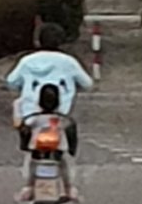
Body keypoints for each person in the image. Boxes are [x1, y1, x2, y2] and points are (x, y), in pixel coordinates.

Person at [6, 22, 93, 157]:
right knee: (70, 128)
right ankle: (71, 153)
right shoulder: (69, 62)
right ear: (61, 42)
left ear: (38, 41)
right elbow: (87, 83)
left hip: (32, 116)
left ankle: (25, 140)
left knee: (19, 111)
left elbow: (11, 82)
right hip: (59, 115)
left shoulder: (27, 61)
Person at [16, 83, 77, 203]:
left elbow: (25, 127)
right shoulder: (61, 118)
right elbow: (70, 129)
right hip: (57, 149)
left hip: (37, 150)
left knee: (31, 164)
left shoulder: (35, 118)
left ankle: (29, 186)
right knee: (64, 165)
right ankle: (68, 187)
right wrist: (72, 147)